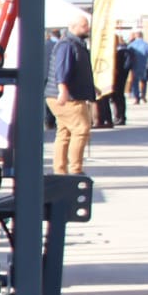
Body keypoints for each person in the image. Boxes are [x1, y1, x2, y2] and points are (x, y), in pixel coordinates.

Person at [46, 15, 95, 175]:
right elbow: (62, 69)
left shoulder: (76, 44)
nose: (87, 28)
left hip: (65, 95)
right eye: (83, 26)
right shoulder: (67, 45)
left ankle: (60, 170)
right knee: (81, 129)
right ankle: (75, 170)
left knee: (65, 132)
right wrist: (63, 90)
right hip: (68, 97)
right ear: (72, 27)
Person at [126, 30, 148, 105]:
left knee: (135, 82)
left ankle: (136, 97)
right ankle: (143, 95)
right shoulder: (147, 45)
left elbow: (128, 56)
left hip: (135, 65)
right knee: (144, 81)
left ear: (136, 36)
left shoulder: (131, 45)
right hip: (145, 65)